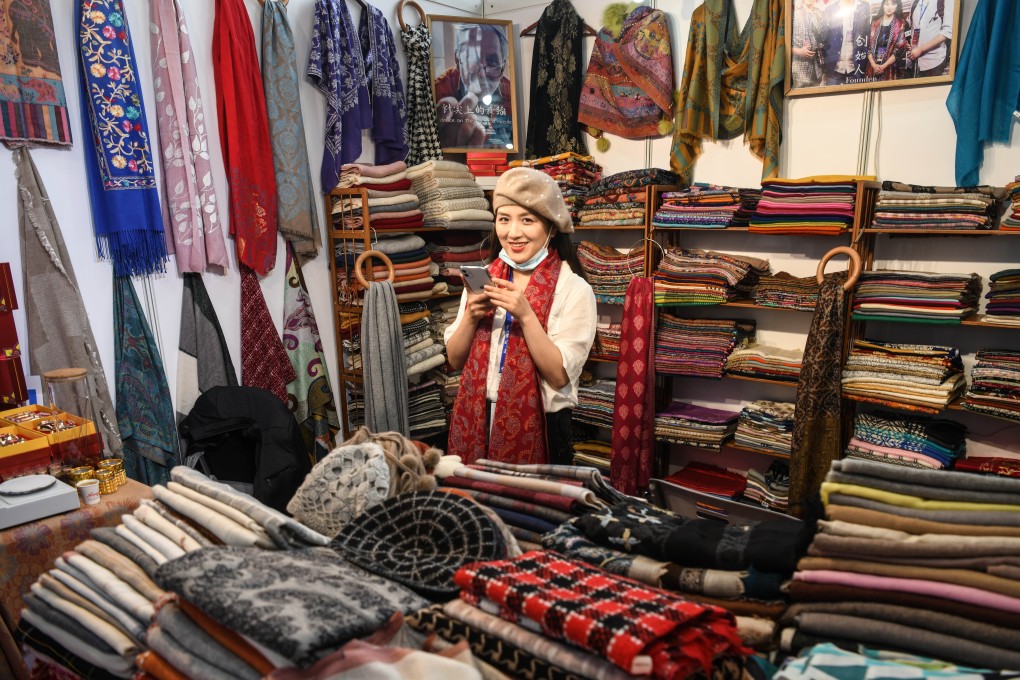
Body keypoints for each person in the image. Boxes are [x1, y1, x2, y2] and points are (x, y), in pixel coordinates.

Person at [445, 168, 596, 466]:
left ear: (551, 226)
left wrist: (526, 315)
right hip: (477, 415)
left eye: (527, 220)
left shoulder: (573, 289)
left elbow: (559, 375)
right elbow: (455, 360)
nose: (513, 233)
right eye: (504, 219)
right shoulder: (486, 280)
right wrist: (471, 318)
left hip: (545, 426)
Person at [433, 23, 513, 149]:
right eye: (472, 59)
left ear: (502, 67)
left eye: (492, 61)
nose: (482, 73)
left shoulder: (511, 96)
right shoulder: (438, 91)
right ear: (458, 61)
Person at [821, 0, 872, 86]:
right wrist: (826, 65)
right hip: (834, 67)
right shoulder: (830, 9)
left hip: (856, 66)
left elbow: (866, 34)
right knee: (832, 97)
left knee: (856, 97)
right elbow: (825, 38)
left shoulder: (864, 6)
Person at [906, 0, 952, 78]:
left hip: (933, 62)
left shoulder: (944, 1)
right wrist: (906, 42)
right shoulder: (916, 2)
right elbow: (909, 25)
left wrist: (921, 49)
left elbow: (947, 32)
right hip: (912, 62)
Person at [868, 0, 908, 81]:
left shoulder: (902, 24)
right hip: (872, 67)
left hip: (891, 68)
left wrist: (883, 66)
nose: (889, 7)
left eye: (893, 4)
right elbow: (867, 46)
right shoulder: (875, 22)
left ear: (897, 6)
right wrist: (873, 64)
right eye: (886, 4)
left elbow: (899, 50)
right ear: (883, 5)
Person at [791, 0, 825, 88]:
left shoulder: (820, 14)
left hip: (817, 69)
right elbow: (782, 44)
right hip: (798, 70)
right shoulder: (793, 14)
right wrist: (798, 51)